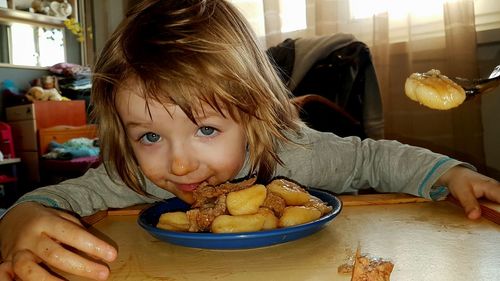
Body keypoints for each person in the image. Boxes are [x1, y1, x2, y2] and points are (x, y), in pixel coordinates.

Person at [1, 0, 499, 280]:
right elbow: (53, 202)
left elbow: (374, 160)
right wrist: (17, 220)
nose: (178, 164)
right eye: (150, 135)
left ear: (254, 114)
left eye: (206, 130)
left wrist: (447, 174)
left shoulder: (295, 157)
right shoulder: (130, 178)